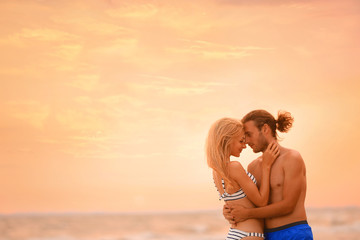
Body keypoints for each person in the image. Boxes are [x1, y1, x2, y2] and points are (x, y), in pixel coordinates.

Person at [223, 110, 313, 240]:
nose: (246, 141)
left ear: (265, 129)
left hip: (293, 232)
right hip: (265, 235)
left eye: (249, 134)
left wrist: (247, 214)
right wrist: (229, 212)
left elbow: (288, 205)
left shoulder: (292, 158)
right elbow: (253, 203)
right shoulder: (252, 167)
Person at [206, 117, 280, 240]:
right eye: (241, 141)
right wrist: (266, 167)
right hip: (249, 235)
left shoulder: (217, 172)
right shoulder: (234, 167)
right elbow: (261, 202)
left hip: (236, 234)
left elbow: (233, 206)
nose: (245, 146)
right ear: (227, 140)